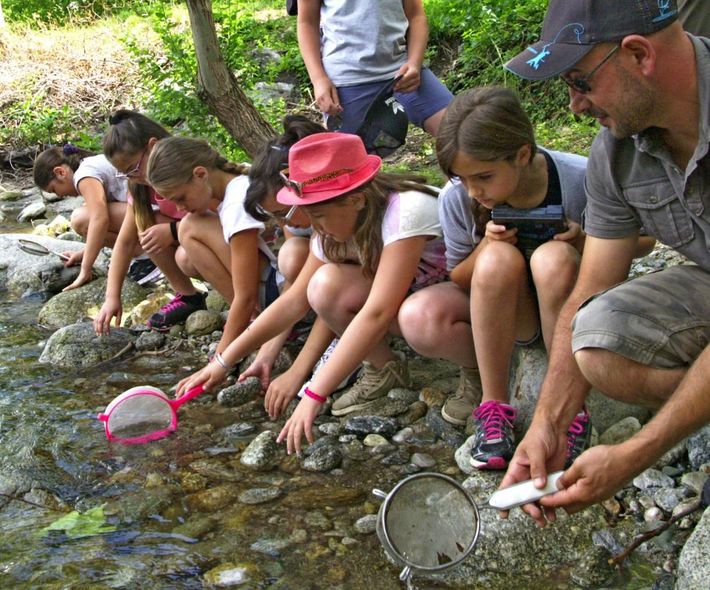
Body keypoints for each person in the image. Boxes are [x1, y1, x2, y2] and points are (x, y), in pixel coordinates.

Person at [499, 0, 710, 523]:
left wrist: (637, 453)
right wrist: (545, 424)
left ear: (638, 55)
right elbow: (586, 292)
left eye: (580, 82)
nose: (574, 105)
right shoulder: (615, 154)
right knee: (596, 338)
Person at [175, 132, 448, 454]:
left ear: (356, 199)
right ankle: (385, 369)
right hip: (412, 295)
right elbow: (294, 301)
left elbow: (377, 313)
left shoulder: (406, 211)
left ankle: (475, 377)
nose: (313, 226)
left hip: (452, 299)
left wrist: (313, 393)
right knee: (323, 284)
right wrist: (222, 361)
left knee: (419, 316)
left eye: (317, 214)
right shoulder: (332, 227)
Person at [399, 86, 591, 470]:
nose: (474, 190)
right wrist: (486, 245)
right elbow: (460, 275)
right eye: (461, 178)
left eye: (484, 176)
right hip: (513, 309)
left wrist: (587, 240)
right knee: (496, 259)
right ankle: (493, 406)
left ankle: (568, 410)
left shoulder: (578, 178)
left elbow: (641, 243)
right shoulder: (458, 198)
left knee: (553, 258)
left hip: (570, 304)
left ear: (522, 154)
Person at [145, 135, 295, 387]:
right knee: (187, 233)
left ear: (201, 174)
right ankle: (253, 324)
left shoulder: (237, 203)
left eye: (180, 198)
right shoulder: (237, 180)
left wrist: (221, 358)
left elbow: (244, 297)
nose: (179, 208)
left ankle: (256, 323)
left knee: (189, 227)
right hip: (284, 281)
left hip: (284, 293)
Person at [93, 110, 206, 335]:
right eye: (125, 174)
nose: (132, 178)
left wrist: (174, 231)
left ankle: (244, 301)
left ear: (153, 147)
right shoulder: (140, 187)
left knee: (185, 258)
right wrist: (112, 297)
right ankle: (187, 295)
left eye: (134, 169)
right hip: (191, 237)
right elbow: (124, 243)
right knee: (147, 224)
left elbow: (218, 219)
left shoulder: (192, 170)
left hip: (218, 241)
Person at [297, 0, 453, 137]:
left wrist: (415, 63)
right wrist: (318, 79)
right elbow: (307, 22)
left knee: (461, 133)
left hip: (403, 73)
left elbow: (416, 15)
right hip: (347, 81)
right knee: (350, 166)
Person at [32, 144, 157, 290]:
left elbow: (100, 219)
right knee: (87, 213)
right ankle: (144, 254)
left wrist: (86, 269)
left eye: (53, 189)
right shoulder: (89, 166)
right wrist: (84, 254)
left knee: (81, 219)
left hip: (156, 214)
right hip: (154, 213)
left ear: (60, 172)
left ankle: (146, 256)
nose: (59, 195)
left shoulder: (83, 175)